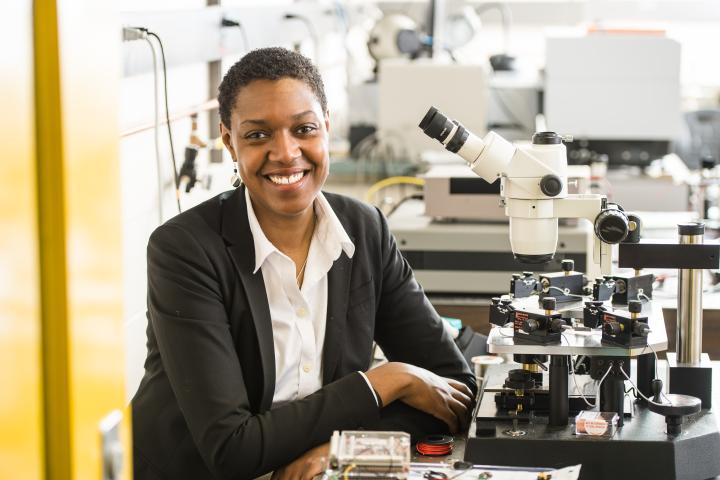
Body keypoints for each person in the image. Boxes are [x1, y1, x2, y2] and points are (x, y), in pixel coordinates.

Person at [131, 47, 475, 480]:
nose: (286, 152)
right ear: (229, 142)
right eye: (258, 135)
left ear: (326, 128)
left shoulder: (363, 230)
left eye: (304, 129)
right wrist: (387, 381)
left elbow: (455, 390)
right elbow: (230, 448)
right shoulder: (185, 250)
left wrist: (338, 448)